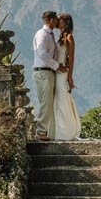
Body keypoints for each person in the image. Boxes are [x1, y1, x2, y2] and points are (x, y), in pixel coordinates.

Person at [33, 11, 67, 141]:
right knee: (45, 102)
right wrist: (57, 66)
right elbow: (42, 53)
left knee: (48, 101)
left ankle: (47, 131)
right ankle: (40, 130)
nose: (59, 22)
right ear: (52, 20)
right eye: (57, 19)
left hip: (48, 71)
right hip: (43, 71)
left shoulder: (50, 35)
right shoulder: (42, 34)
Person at [53, 13, 81, 140]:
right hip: (55, 70)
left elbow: (71, 58)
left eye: (60, 19)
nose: (57, 21)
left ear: (65, 22)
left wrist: (70, 77)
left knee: (62, 99)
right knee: (57, 100)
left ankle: (66, 130)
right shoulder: (59, 37)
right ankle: (59, 129)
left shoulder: (70, 37)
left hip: (62, 73)